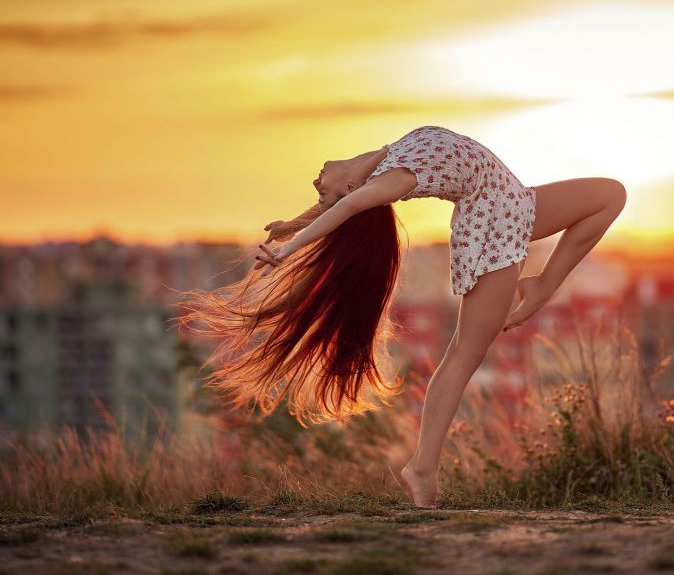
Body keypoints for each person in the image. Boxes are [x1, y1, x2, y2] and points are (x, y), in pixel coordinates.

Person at [174, 125, 626, 507]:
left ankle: (543, 285)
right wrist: (290, 248)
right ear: (356, 191)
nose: (317, 187)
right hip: (496, 219)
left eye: (321, 194)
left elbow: (339, 202)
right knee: (465, 354)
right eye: (323, 193)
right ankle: (423, 468)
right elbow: (347, 204)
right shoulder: (385, 183)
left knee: (610, 193)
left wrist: (294, 222)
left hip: (509, 200)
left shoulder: (377, 164)